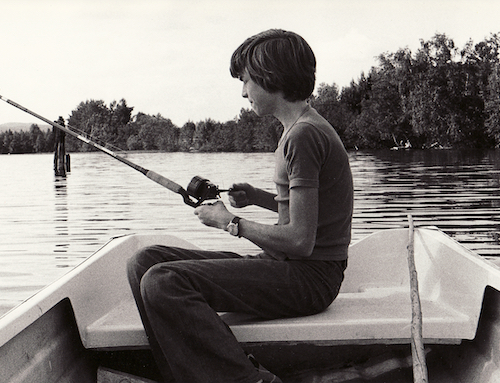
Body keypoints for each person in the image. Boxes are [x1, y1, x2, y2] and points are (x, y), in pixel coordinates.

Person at [127, 29, 354, 383]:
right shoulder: (302, 127)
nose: (244, 92)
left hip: (310, 278)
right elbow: (307, 211)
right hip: (295, 268)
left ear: (270, 78)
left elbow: (300, 242)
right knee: (145, 262)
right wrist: (257, 197)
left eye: (246, 81)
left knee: (163, 281)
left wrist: (229, 221)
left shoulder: (303, 136)